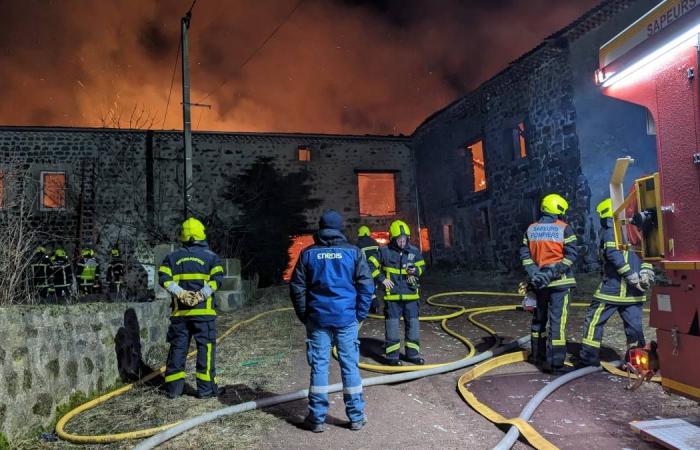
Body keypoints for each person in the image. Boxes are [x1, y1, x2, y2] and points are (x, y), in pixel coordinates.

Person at [290, 210, 374, 433]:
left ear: (320, 227)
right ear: (339, 228)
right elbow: (366, 286)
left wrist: (304, 315)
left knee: (319, 366)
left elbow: (297, 287)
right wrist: (360, 315)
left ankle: (316, 418)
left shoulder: (308, 254)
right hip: (347, 318)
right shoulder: (353, 252)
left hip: (317, 319)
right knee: (350, 366)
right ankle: (356, 417)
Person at [578, 198, 654, 367]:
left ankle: (588, 359)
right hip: (634, 294)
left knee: (594, 321)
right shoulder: (637, 229)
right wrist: (646, 273)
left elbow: (613, 254)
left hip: (611, 290)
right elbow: (647, 254)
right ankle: (638, 362)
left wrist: (631, 276)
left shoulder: (610, 229)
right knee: (634, 328)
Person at [158, 217, 224, 399]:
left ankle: (173, 390)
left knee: (178, 349)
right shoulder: (211, 257)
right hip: (204, 314)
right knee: (205, 350)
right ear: (201, 235)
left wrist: (180, 293)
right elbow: (217, 280)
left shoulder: (172, 257)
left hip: (180, 314)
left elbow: (163, 278)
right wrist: (201, 295)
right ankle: (206, 390)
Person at [520, 193, 577, 373]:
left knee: (538, 320)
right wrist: (552, 273)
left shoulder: (530, 229)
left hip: (538, 284)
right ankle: (556, 364)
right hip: (560, 283)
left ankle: (537, 356)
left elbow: (525, 255)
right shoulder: (564, 228)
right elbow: (571, 256)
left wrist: (535, 274)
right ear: (558, 209)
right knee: (557, 323)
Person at [368, 220, 426, 366]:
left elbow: (422, 266)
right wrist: (381, 279)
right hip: (392, 297)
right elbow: (369, 264)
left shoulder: (413, 251)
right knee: (392, 327)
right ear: (392, 239)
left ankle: (412, 355)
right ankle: (392, 357)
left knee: (412, 325)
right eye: (399, 239)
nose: (402, 242)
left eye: (404, 239)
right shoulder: (384, 251)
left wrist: (416, 271)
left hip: (412, 296)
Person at [356, 225, 381, 314]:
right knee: (372, 289)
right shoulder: (375, 243)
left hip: (365, 271)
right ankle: (373, 307)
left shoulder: (358, 245)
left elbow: (357, 259)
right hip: (376, 271)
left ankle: (372, 307)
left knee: (366, 290)